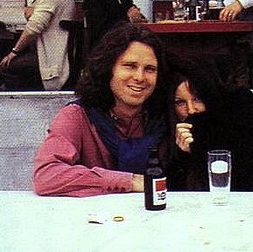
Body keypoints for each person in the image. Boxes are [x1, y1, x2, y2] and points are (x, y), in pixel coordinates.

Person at [33, 23, 170, 197]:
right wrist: (129, 181)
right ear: (108, 68)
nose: (139, 77)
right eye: (129, 66)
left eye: (150, 69)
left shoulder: (165, 117)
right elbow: (46, 176)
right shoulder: (77, 115)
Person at [165, 52, 253, 192]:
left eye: (197, 99)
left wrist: (198, 151)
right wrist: (185, 154)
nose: (191, 110)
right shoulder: (174, 132)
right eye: (180, 102)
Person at [0, 0, 75, 91]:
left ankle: (19, 108)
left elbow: (34, 26)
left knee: (6, 66)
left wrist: (14, 52)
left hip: (52, 59)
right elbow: (28, 13)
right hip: (48, 52)